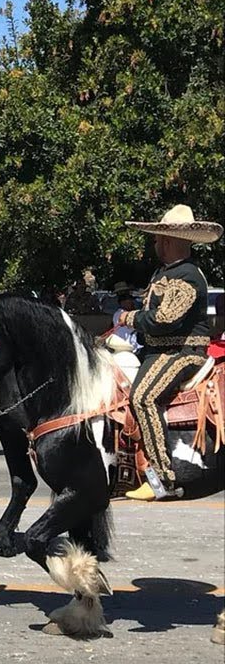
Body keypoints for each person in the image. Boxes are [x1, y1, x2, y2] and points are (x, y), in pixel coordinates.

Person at [117, 205, 220, 501]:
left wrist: (129, 318)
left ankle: (164, 478)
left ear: (172, 241)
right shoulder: (165, 272)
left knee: (144, 397)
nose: (156, 244)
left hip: (182, 352)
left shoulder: (187, 276)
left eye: (160, 239)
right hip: (158, 351)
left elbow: (164, 320)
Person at [110, 282, 141, 353]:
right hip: (128, 347)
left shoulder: (130, 313)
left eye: (131, 301)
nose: (132, 303)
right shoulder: (120, 314)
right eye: (128, 302)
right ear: (122, 303)